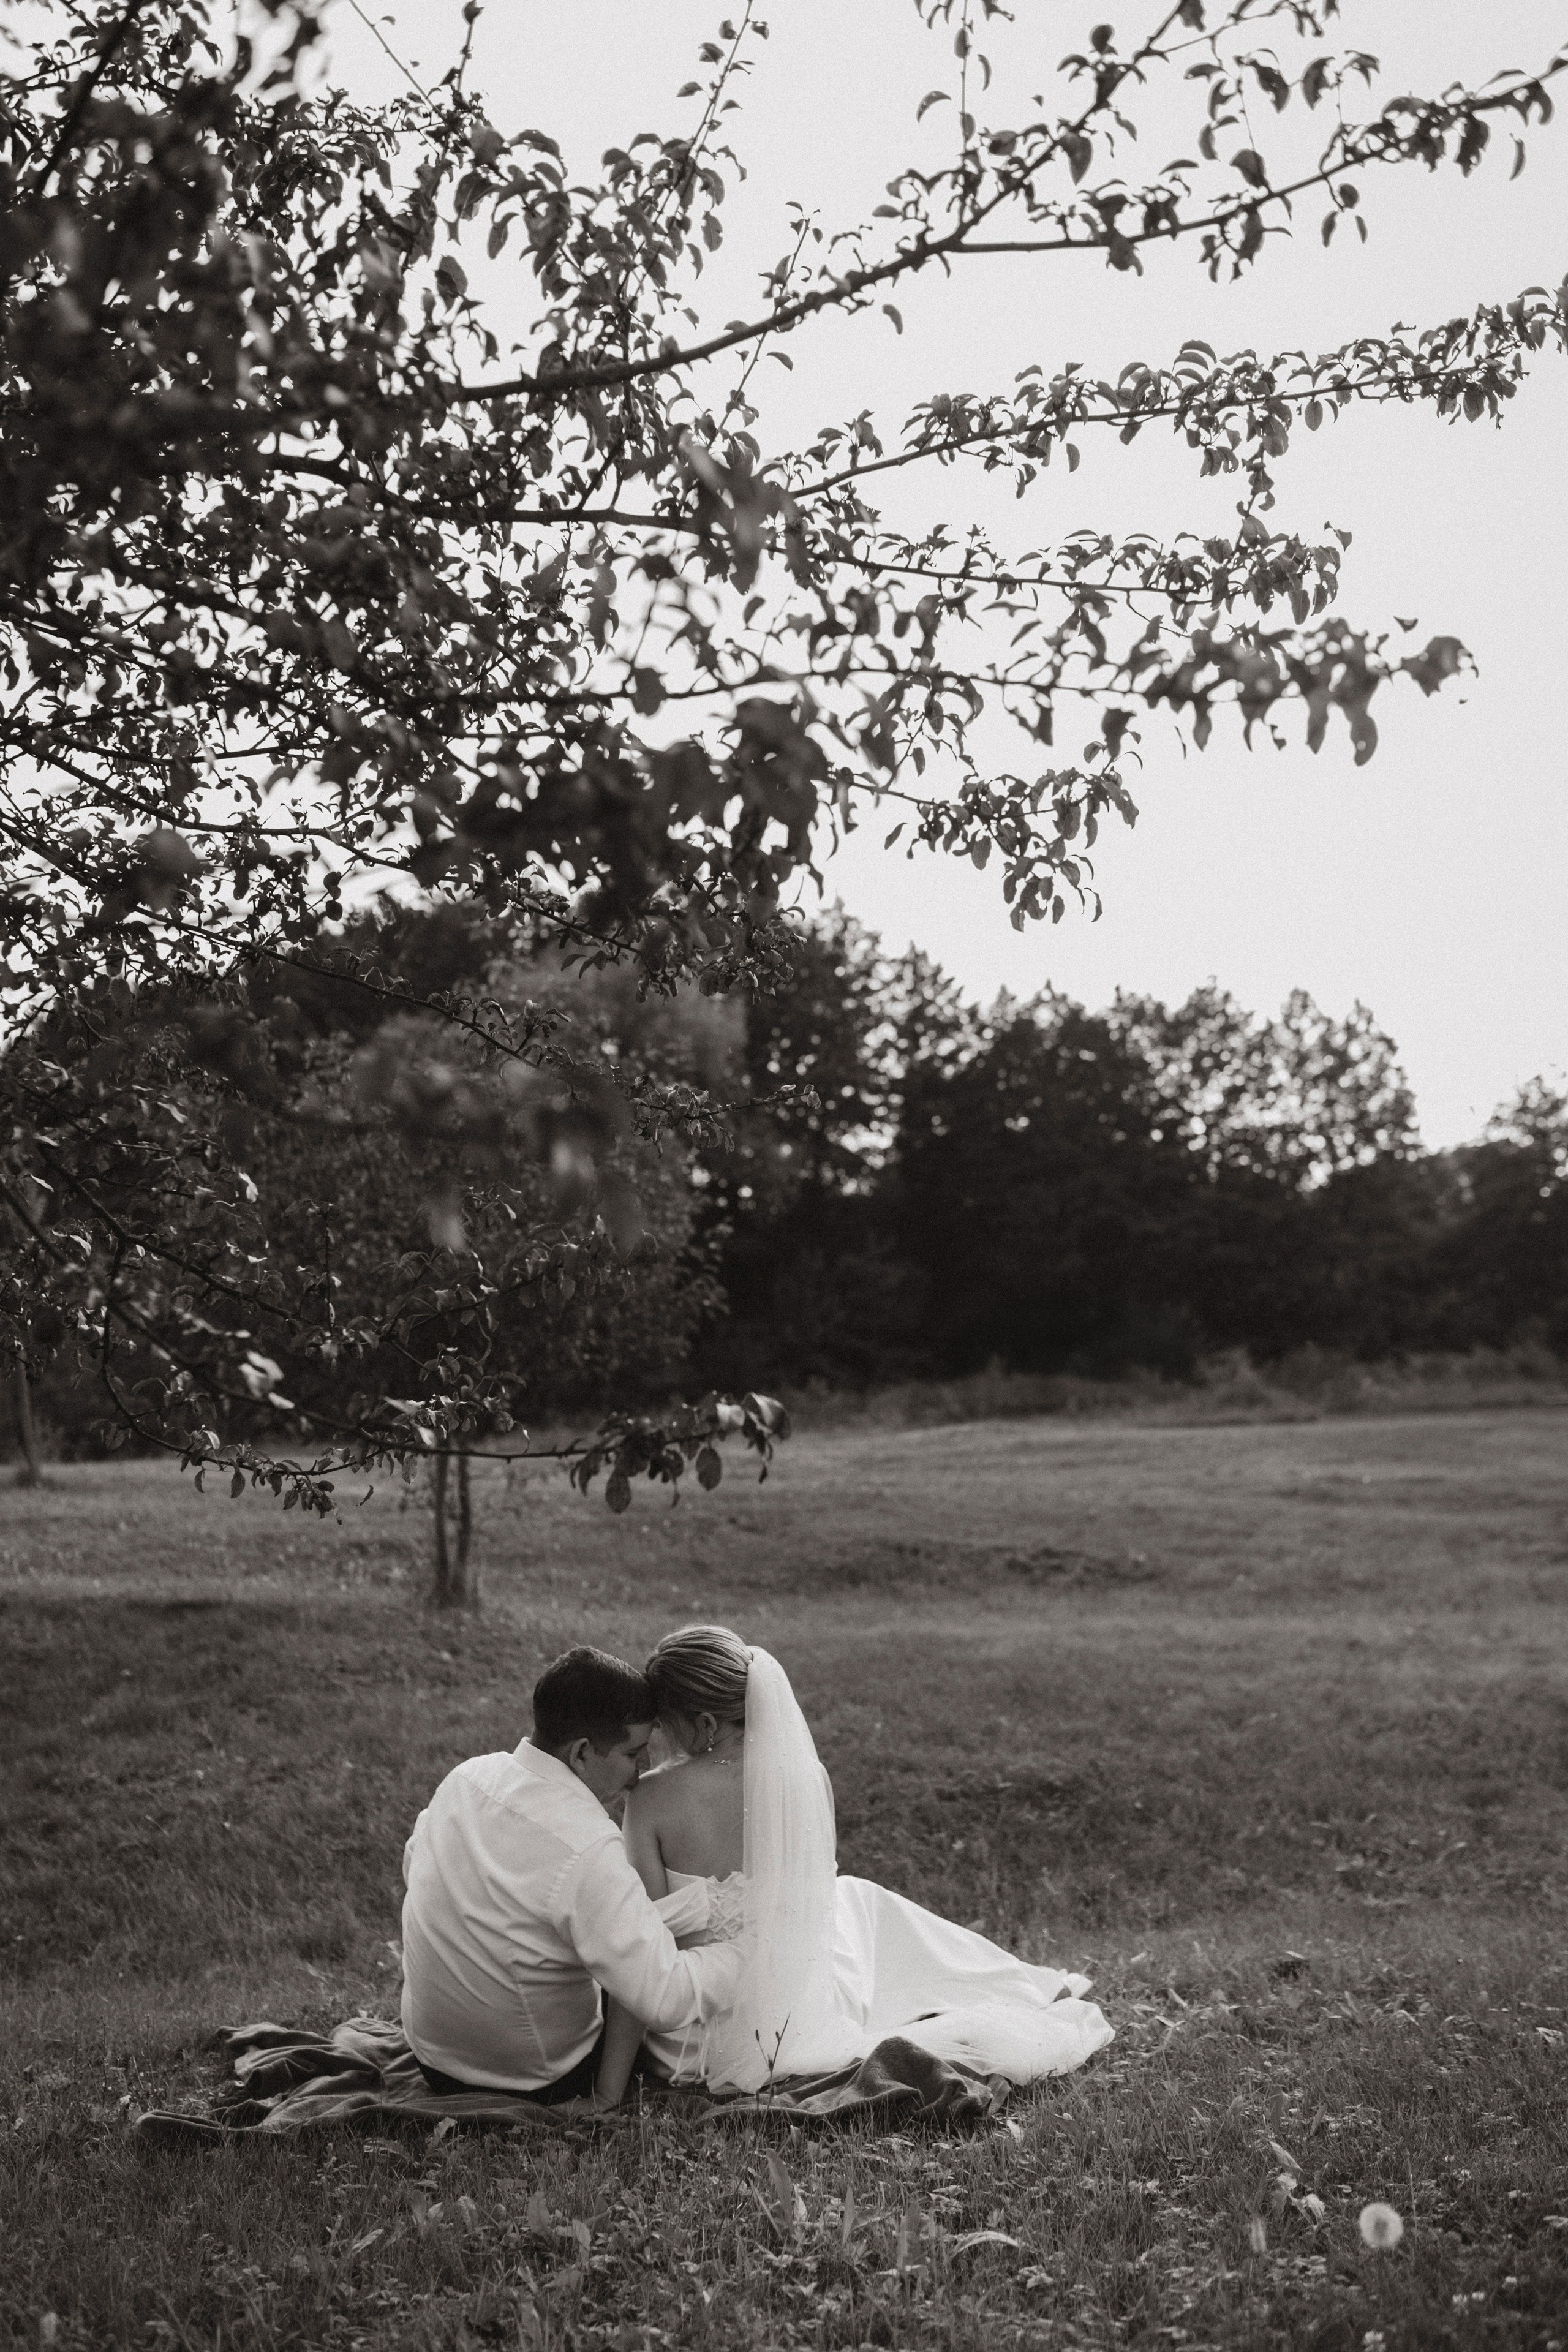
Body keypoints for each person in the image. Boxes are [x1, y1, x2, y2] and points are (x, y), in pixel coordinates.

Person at [589, 1624, 1114, 2105]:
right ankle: (993, 1977)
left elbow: (645, 1951)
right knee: (854, 1903)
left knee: (858, 1904)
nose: (660, 1742)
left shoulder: (654, 1798)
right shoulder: (807, 1778)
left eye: (666, 1725)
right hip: (799, 2016)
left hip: (697, 2040)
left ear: (703, 1723)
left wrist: (608, 2092)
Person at [399, 1644, 739, 2105]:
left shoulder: (466, 1778)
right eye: (633, 1754)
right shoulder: (588, 1846)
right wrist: (751, 1953)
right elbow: (665, 1999)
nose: (639, 1775)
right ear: (581, 1752)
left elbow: (414, 1862)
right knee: (633, 1976)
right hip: (536, 2075)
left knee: (617, 1931)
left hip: (433, 2057)